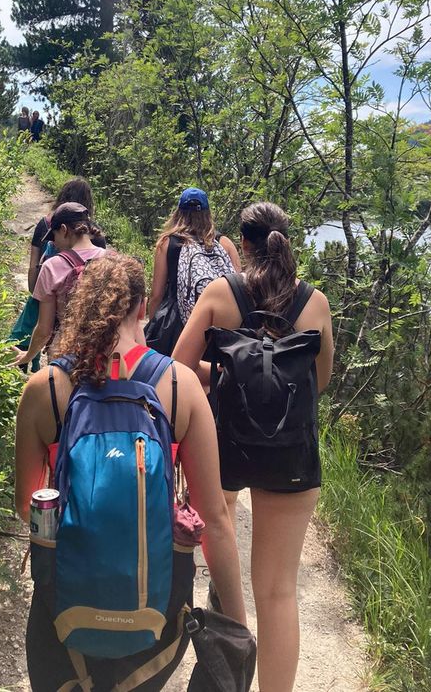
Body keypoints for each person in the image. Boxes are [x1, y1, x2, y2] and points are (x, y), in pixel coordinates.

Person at [15, 254, 247, 691]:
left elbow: (26, 503)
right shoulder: (180, 386)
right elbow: (214, 518)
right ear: (142, 308)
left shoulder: (44, 388)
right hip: (154, 612)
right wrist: (236, 626)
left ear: (80, 307)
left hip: (62, 610)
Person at [173, 202, 334, 692]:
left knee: (223, 550)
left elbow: (177, 368)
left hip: (227, 446)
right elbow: (317, 383)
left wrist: (224, 374)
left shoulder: (221, 294)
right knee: (279, 591)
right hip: (290, 453)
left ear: (241, 246)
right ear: (287, 242)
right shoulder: (316, 304)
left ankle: (226, 663)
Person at [11, 202, 108, 370]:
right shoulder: (113, 260)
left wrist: (28, 355)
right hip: (104, 351)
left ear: (63, 229)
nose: (53, 243)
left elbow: (44, 329)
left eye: (54, 236)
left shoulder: (53, 266)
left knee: (63, 396)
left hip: (65, 352)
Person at [148, 187, 242, 323]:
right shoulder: (224, 243)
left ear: (178, 212)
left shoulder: (167, 243)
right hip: (217, 320)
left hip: (178, 321)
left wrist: (153, 325)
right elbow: (237, 286)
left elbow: (157, 294)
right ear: (207, 213)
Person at [28, 177, 102, 292]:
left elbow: (33, 266)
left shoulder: (45, 224)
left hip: (46, 293)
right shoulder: (95, 233)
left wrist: (34, 294)